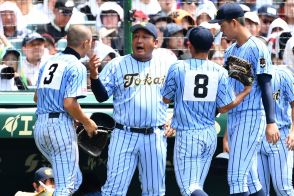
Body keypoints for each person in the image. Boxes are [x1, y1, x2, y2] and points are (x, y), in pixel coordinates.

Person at [161, 26, 252, 196]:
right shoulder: (219, 71)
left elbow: (166, 99)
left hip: (188, 135)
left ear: (190, 45)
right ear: (211, 47)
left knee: (189, 189)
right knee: (196, 187)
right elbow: (225, 106)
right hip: (209, 134)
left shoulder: (178, 67)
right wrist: (245, 92)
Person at [88, 22, 175, 195]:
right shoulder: (117, 64)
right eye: (136, 36)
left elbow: (180, 96)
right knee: (114, 190)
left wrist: (174, 118)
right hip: (124, 134)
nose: (139, 40)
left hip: (154, 135)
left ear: (155, 43)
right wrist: (94, 76)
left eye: (144, 37)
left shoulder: (167, 65)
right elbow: (101, 97)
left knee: (155, 191)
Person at [209, 3, 280, 196]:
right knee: (250, 178)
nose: (221, 30)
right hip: (235, 116)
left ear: (233, 23)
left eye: (222, 25)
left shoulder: (258, 47)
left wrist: (271, 122)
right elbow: (227, 87)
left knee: (236, 176)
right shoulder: (231, 50)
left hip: (252, 115)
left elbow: (266, 84)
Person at [33, 24, 98, 195]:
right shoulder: (76, 66)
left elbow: (36, 98)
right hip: (59, 127)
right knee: (66, 185)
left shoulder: (49, 61)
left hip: (40, 126)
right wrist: (87, 122)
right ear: (86, 43)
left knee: (74, 179)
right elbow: (69, 103)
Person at [249, 66, 294, 195]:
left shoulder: (282, 73)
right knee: (258, 190)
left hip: (280, 135)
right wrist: (227, 136)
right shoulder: (244, 74)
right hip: (255, 137)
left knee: (283, 188)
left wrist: (293, 131)